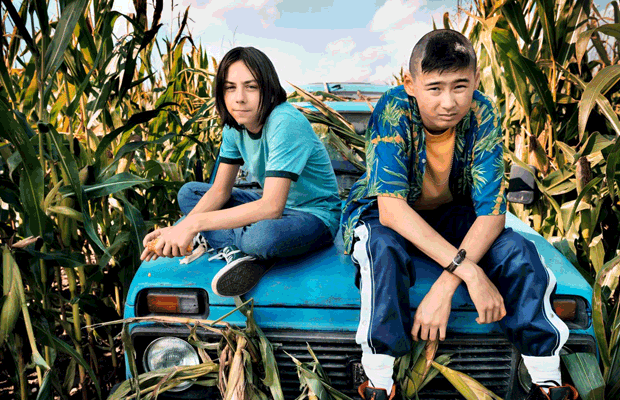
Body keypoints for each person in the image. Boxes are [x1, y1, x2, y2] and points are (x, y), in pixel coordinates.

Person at [341, 30, 577, 400]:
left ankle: (546, 380)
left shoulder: (483, 113)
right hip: (387, 213)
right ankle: (380, 382)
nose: (449, 102)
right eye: (435, 88)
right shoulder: (393, 109)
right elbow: (392, 211)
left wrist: (446, 284)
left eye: (460, 86)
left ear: (476, 80)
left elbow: (492, 215)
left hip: (453, 214)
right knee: (380, 249)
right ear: (411, 84)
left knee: (519, 250)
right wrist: (470, 271)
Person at [141, 46, 341, 298]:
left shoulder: (285, 121)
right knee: (190, 193)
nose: (239, 98)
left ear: (268, 89)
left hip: (314, 216)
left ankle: (231, 244)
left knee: (260, 237)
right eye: (230, 87)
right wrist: (175, 229)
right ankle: (240, 252)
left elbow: (271, 207)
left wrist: (193, 223)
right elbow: (219, 191)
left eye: (251, 87)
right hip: (270, 208)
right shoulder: (234, 127)